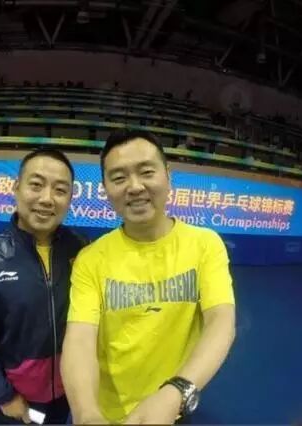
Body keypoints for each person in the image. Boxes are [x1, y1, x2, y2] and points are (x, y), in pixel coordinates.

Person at [61, 130, 236, 425]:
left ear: (168, 176)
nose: (135, 186)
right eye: (119, 178)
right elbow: (80, 339)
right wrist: (86, 413)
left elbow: (221, 321)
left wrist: (176, 391)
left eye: (146, 172)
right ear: (105, 189)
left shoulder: (205, 245)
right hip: (107, 413)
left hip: (172, 405)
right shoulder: (91, 259)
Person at [0, 148, 86, 424]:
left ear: (70, 198)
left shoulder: (83, 251)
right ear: (16, 188)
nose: (47, 198)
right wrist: (4, 396)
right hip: (17, 398)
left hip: (68, 391)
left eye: (60, 190)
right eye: (36, 185)